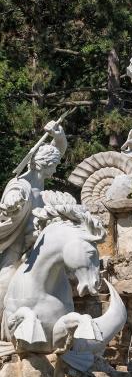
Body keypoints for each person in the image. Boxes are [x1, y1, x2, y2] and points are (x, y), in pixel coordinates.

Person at [0, 119, 67, 329]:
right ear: (42, 165)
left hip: (36, 247)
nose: (55, 172)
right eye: (54, 167)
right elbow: (10, 200)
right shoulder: (22, 185)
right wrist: (11, 203)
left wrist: (58, 136)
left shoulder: (40, 183)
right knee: (5, 282)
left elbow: (58, 150)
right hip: (16, 249)